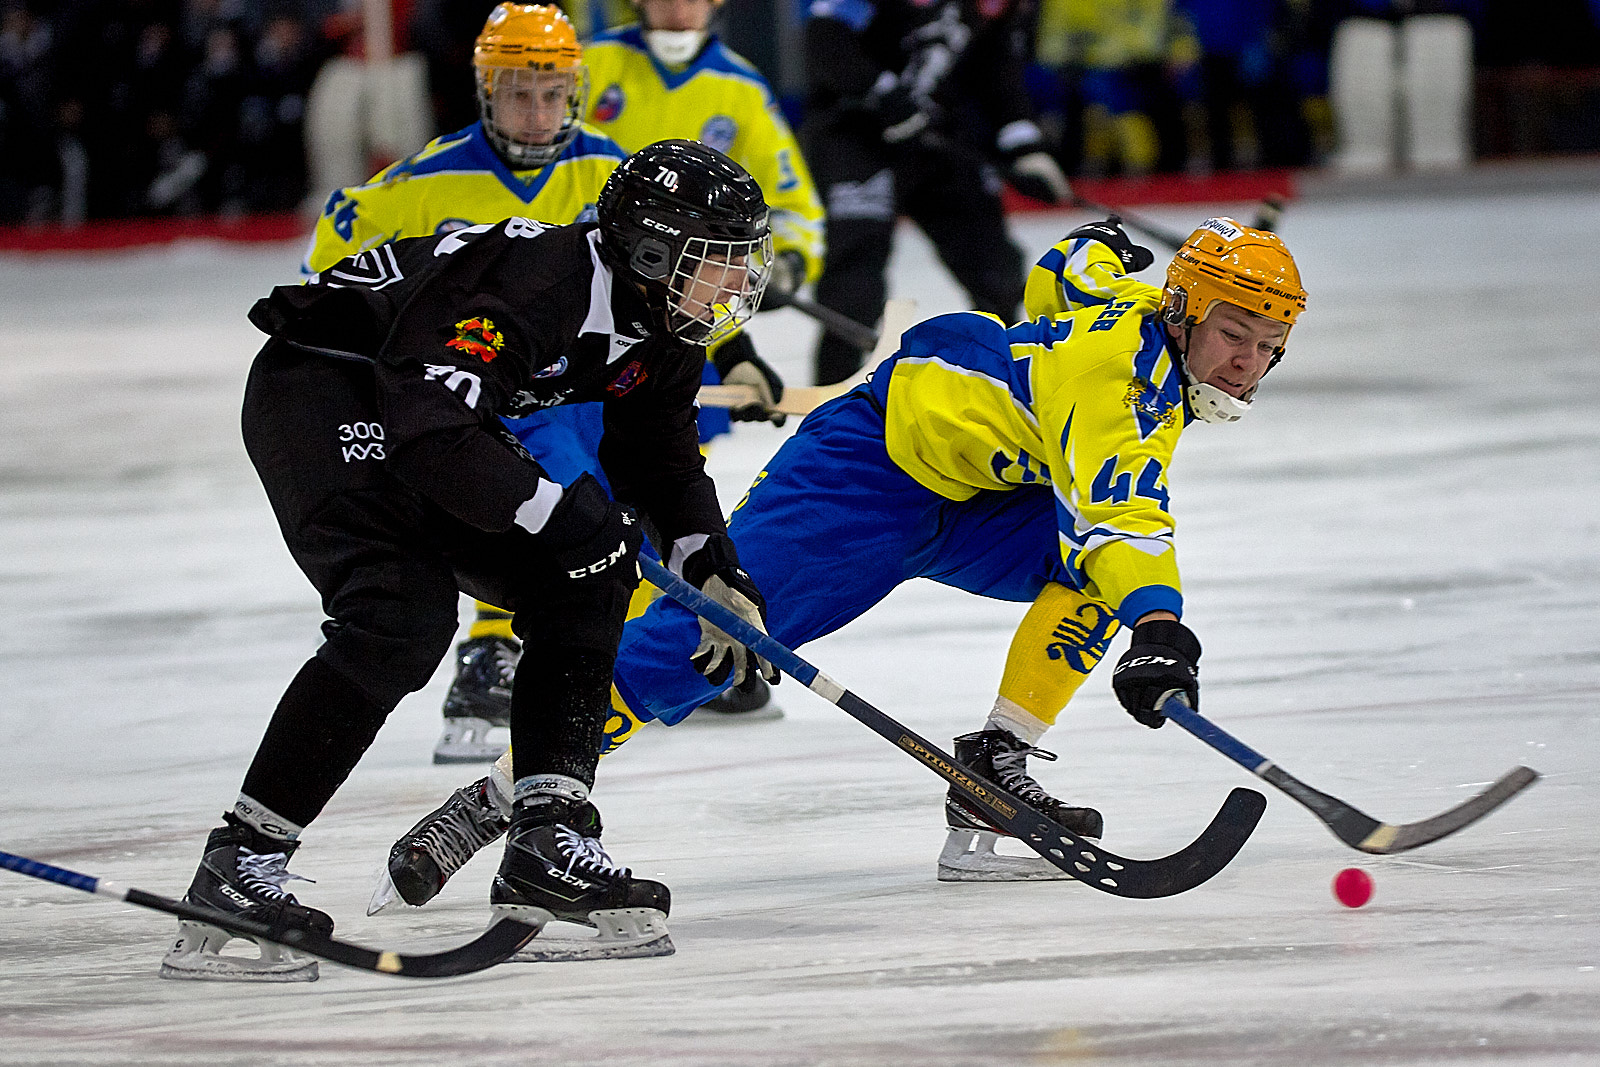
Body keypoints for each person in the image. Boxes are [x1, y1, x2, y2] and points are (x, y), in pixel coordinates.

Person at [371, 213, 1306, 908]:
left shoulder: (1152, 319)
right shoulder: (1121, 383)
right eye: (1233, 333)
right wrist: (1161, 628)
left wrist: (1093, 247)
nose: (1246, 364)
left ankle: (996, 765)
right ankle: (501, 797)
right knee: (707, 641)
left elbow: (1069, 273)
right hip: (865, 473)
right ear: (1183, 312)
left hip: (981, 497)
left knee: (1096, 577)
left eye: (1268, 346)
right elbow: (1123, 522)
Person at [160, 140, 779, 982]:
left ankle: (546, 835)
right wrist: (559, 512)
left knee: (592, 566)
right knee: (399, 617)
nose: (736, 285)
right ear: (651, 250)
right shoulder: (536, 283)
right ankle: (241, 859)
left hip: (414, 408)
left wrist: (714, 568)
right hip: (325, 387)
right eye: (718, 262)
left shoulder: (661, 322)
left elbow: (660, 454)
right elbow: (430, 423)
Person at [435, 0, 828, 743]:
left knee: (648, 472)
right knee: (557, 486)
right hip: (489, 379)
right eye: (522, 91)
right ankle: (493, 646)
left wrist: (738, 336)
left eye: (553, 93)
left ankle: (654, 634)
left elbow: (688, 264)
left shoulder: (630, 153)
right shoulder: (414, 184)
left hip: (613, 357)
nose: (538, 110)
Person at [801, 0, 1073, 385]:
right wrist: (881, 92)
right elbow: (825, 40)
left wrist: (1026, 148)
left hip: (936, 138)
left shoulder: (996, 7)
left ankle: (1008, 383)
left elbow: (999, 70)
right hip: (855, 138)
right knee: (854, 281)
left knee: (993, 265)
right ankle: (831, 397)